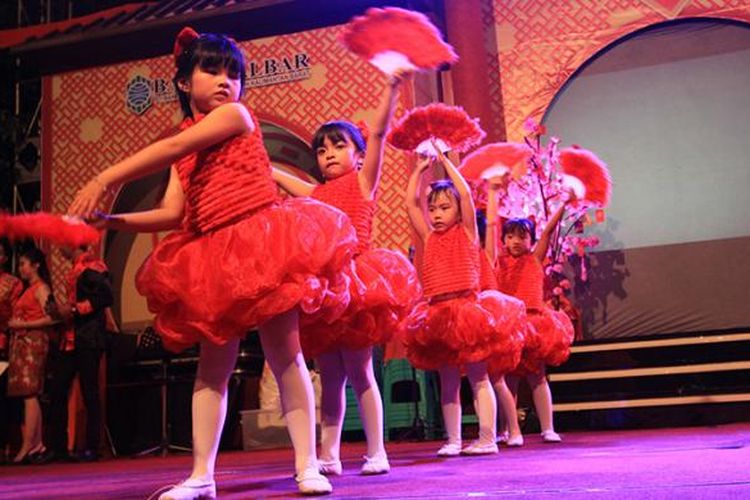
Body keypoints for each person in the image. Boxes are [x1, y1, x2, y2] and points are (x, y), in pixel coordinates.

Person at [68, 27, 358, 497]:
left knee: (285, 355)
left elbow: (172, 147)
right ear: (184, 82)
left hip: (263, 241)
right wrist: (110, 219)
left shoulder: (236, 116)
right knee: (212, 368)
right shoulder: (186, 147)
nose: (227, 81)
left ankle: (308, 463)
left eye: (234, 73)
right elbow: (172, 213)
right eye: (212, 70)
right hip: (214, 258)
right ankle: (202, 475)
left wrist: (104, 177)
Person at [272, 71, 420, 476]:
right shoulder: (316, 192)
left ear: (356, 155)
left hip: (358, 284)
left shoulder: (362, 182)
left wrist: (390, 90)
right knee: (330, 378)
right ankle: (329, 454)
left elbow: (378, 134)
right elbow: (279, 177)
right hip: (325, 290)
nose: (329, 154)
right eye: (321, 150)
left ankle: (377, 450)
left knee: (360, 371)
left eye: (338, 146)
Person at [403, 149, 525, 457]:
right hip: (438, 315)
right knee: (447, 380)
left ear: (458, 211)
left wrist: (445, 163)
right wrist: (418, 171)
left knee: (478, 376)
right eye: (433, 209)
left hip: (467, 311)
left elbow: (467, 196)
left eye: (445, 207)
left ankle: (487, 438)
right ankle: (453, 439)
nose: (437, 214)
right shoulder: (429, 238)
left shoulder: (469, 232)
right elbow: (410, 203)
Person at [486, 178, 575, 446]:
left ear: (530, 240)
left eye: (522, 237)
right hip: (509, 326)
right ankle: (508, 429)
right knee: (507, 380)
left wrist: (564, 203)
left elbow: (548, 231)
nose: (515, 241)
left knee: (537, 378)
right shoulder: (498, 262)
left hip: (535, 325)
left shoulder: (534, 259)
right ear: (503, 240)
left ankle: (548, 427)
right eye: (510, 236)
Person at [44, 245, 113, 462]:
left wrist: (74, 310)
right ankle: (59, 447)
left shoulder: (92, 267)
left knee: (89, 392)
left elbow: (106, 296)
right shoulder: (77, 269)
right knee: (57, 390)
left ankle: (93, 446)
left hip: (88, 339)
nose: (59, 247)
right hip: (71, 340)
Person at [6, 247, 56, 463]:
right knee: (28, 394)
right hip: (23, 343)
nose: (21, 268)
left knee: (31, 393)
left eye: (24, 263)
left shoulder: (41, 288)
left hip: (34, 341)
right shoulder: (27, 289)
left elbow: (51, 318)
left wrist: (23, 324)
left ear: (36, 265)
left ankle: (30, 444)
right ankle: (36, 444)